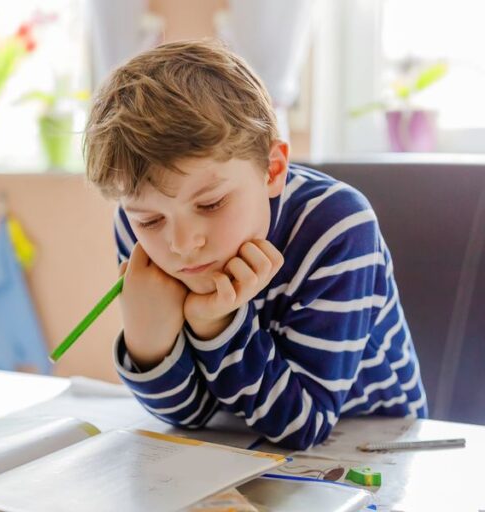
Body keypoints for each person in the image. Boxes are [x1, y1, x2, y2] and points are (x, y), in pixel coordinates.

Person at [83, 39, 427, 449]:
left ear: (272, 169)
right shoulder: (135, 229)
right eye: (150, 219)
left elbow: (304, 426)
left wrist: (216, 325)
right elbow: (190, 417)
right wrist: (148, 341)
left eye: (210, 204)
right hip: (242, 444)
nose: (182, 244)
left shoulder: (337, 227)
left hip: (377, 447)